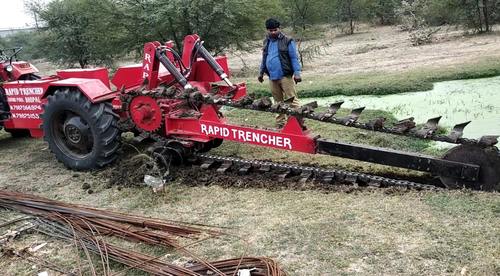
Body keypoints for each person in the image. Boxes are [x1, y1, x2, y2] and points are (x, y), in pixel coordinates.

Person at [258, 18, 302, 128]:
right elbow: (264, 58)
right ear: (267, 30)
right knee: (278, 102)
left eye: (275, 30)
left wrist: (297, 73)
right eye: (270, 30)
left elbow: (293, 58)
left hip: (285, 76)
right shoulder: (266, 41)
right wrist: (261, 72)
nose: (273, 32)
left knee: (292, 100)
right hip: (272, 77)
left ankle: (298, 123)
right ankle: (280, 124)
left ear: (279, 28)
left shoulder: (287, 40)